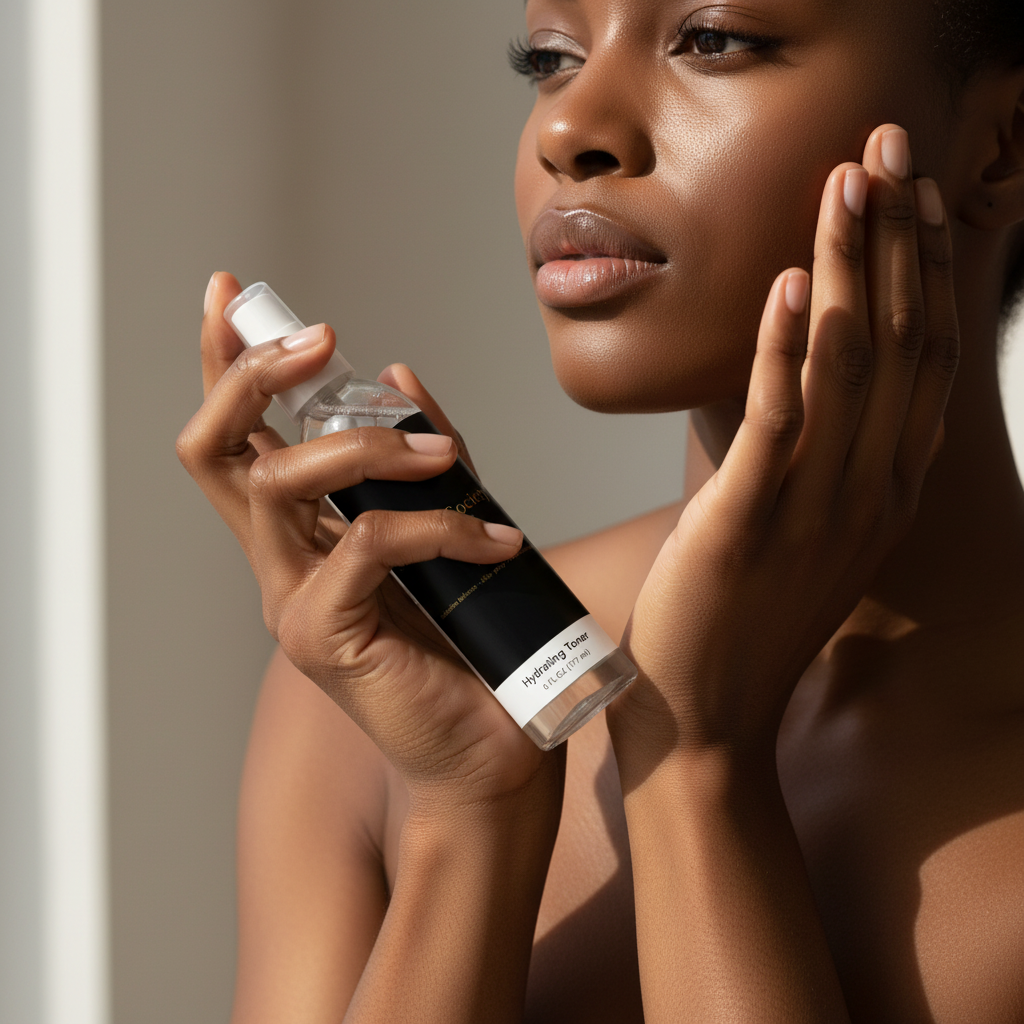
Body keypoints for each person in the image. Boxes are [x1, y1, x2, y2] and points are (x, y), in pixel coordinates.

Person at [176, 0, 1024, 1020]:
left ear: (1002, 145)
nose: (568, 127)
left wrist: (694, 760)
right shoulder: (393, 678)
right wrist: (465, 809)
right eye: (550, 57)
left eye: (713, 39)